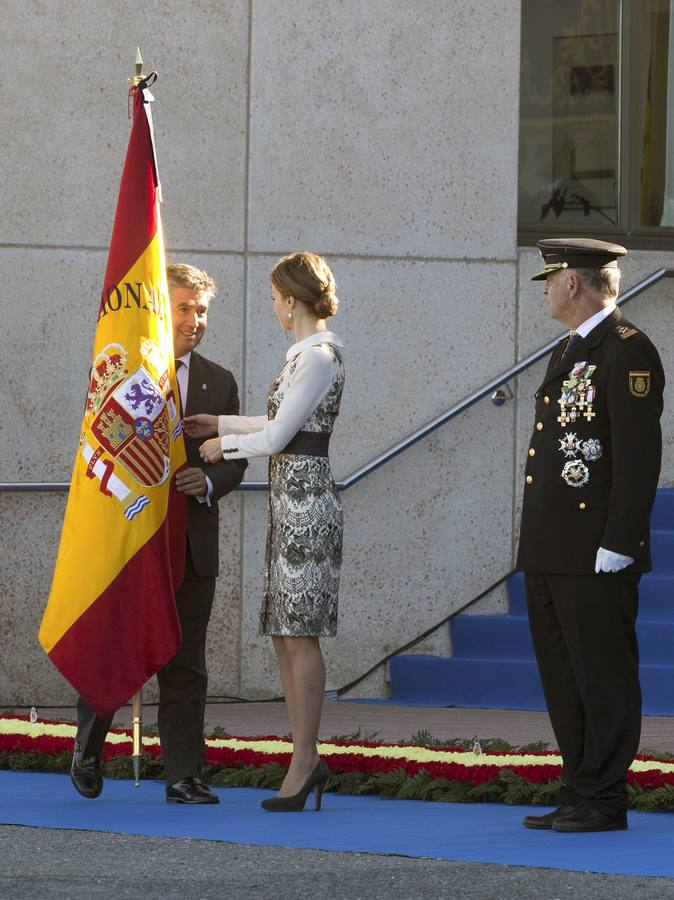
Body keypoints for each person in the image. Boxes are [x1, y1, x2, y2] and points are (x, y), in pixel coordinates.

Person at [71, 263, 247, 804]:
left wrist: (211, 479)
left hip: (192, 546)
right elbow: (105, 447)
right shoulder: (128, 375)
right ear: (159, 311)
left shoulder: (219, 380)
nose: (195, 320)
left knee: (186, 661)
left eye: (202, 311)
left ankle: (183, 775)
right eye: (185, 308)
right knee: (116, 647)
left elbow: (236, 459)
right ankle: (89, 749)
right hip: (131, 543)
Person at [183, 251, 345, 813]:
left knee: (301, 634)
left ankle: (305, 761)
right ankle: (304, 758)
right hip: (290, 502)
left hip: (307, 505)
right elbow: (279, 423)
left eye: (276, 298)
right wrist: (222, 421)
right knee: (285, 633)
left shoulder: (320, 355)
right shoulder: (304, 355)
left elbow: (277, 437)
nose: (273, 307)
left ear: (293, 300)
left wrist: (219, 445)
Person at [517, 238, 665, 833]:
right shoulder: (574, 349)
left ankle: (605, 797)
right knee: (563, 673)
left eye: (550, 281)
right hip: (553, 542)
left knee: (601, 672)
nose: (548, 292)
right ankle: (578, 787)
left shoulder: (627, 351)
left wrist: (621, 541)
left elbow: (637, 458)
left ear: (572, 283)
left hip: (597, 546)